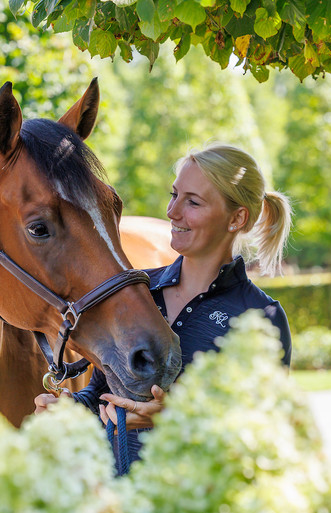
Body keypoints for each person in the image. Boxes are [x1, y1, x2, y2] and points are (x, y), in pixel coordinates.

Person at [34, 143, 293, 466]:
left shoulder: (261, 316)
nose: (172, 212)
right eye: (174, 195)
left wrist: (175, 420)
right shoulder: (137, 291)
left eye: (193, 202)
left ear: (237, 218)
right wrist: (71, 406)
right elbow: (102, 390)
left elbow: (265, 435)